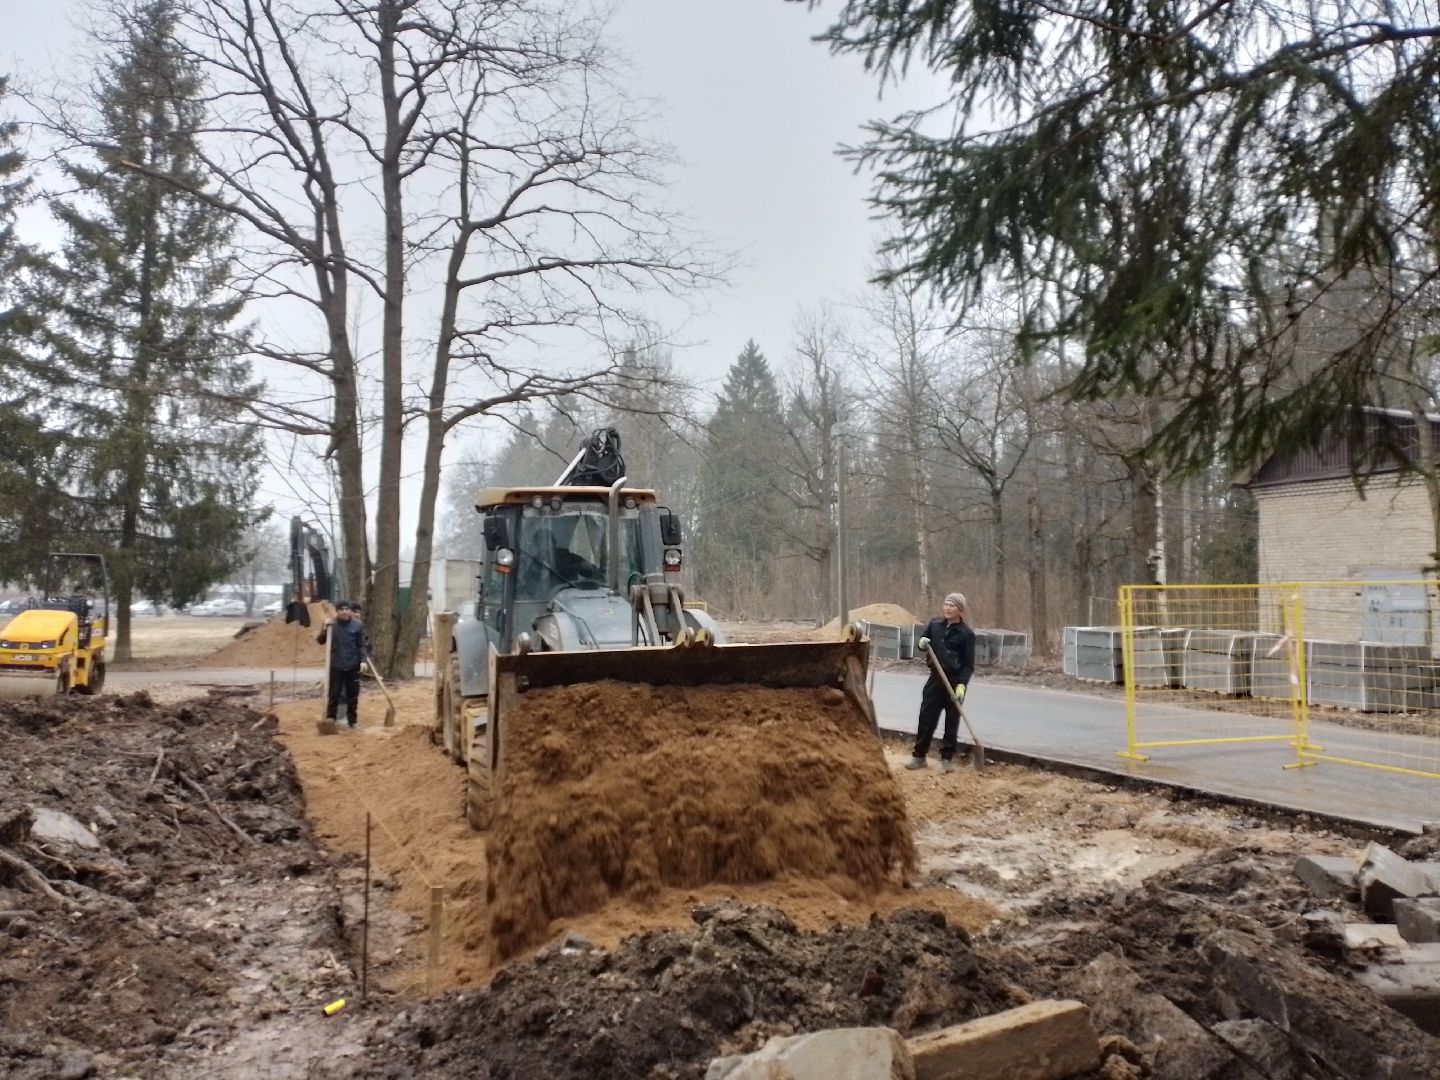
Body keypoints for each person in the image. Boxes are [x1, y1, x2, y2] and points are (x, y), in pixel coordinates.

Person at [907, 592, 976, 773]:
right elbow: (922, 643)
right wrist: (921, 643)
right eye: (946, 604)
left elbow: (969, 664)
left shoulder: (966, 634)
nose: (947, 608)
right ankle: (919, 756)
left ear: (961, 611)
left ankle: (947, 758)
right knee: (926, 718)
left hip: (955, 683)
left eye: (952, 605)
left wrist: (962, 685)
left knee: (951, 722)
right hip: (935, 680)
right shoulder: (935, 625)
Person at [317, 600, 370, 728]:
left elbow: (361, 645)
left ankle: (352, 721)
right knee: (334, 694)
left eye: (347, 609)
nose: (345, 611)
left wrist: (363, 661)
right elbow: (320, 641)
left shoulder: (357, 625)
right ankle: (331, 720)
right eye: (341, 609)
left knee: (353, 695)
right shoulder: (331, 625)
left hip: (353, 665)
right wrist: (324, 628)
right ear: (337, 611)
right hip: (336, 665)